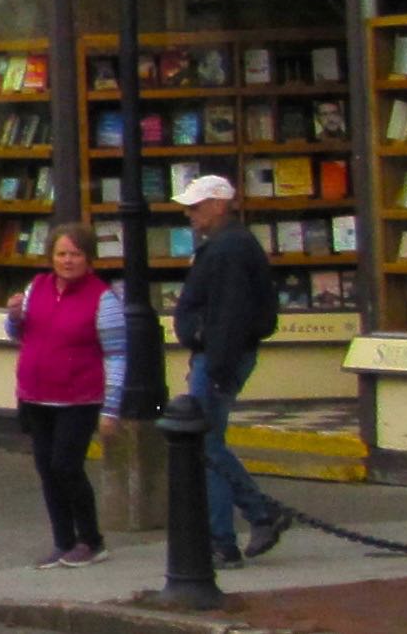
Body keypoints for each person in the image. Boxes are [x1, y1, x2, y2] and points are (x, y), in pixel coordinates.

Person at [175, 174, 287, 567]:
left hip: (219, 358)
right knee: (209, 444)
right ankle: (253, 517)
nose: (190, 214)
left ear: (219, 204)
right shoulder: (227, 246)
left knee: (206, 445)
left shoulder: (229, 249)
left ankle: (226, 536)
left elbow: (230, 313)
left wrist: (215, 361)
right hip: (218, 356)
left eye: (197, 205)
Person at [6, 223, 124, 569]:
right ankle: (63, 541)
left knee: (66, 466)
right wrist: (13, 317)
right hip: (36, 396)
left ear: (89, 259)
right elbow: (18, 333)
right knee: (46, 468)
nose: (68, 261)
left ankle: (92, 540)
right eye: (61, 254)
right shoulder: (37, 287)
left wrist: (112, 410)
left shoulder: (102, 297)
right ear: (51, 257)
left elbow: (118, 355)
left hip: (78, 399)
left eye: (75, 254)